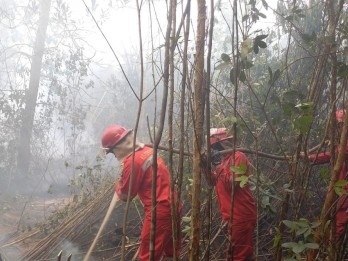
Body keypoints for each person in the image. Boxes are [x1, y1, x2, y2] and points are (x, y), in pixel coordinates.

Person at [101, 124, 181, 261]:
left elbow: (126, 195)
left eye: (112, 151)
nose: (113, 155)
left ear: (118, 147)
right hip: (173, 203)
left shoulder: (133, 162)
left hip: (159, 211)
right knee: (170, 251)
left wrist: (118, 187)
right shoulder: (148, 150)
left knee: (148, 255)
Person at [209, 127, 257, 261]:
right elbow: (213, 181)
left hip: (241, 215)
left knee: (238, 256)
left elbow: (231, 184)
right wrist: (205, 165)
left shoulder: (238, 157)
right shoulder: (224, 161)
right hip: (232, 216)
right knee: (235, 254)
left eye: (215, 146)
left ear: (222, 144)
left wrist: (217, 164)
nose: (215, 149)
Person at [305, 109, 347, 242]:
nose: (338, 129)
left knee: (339, 225)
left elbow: (338, 153)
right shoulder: (340, 144)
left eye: (341, 125)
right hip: (341, 190)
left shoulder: (342, 146)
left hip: (344, 192)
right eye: (337, 126)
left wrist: (311, 157)